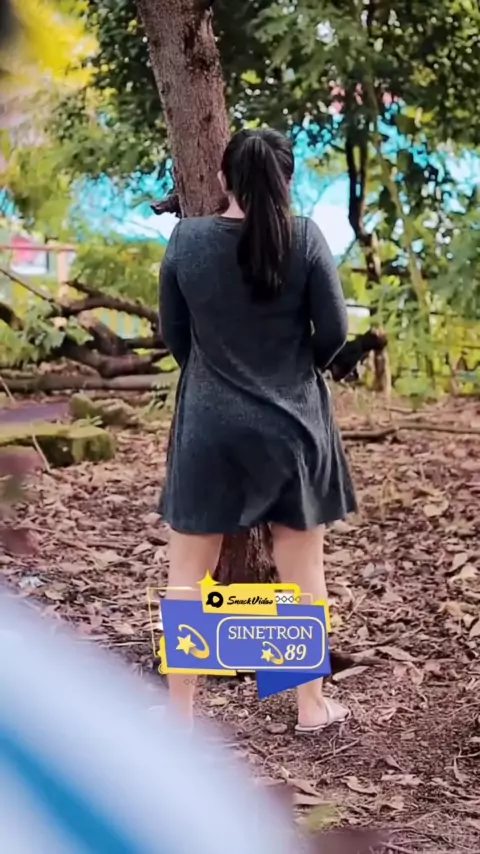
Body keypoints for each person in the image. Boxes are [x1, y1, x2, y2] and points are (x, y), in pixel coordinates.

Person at [159, 128, 357, 733]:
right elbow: (335, 332)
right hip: (292, 426)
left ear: (223, 178)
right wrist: (296, 371)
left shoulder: (187, 240)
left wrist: (213, 377)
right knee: (302, 573)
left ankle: (180, 720)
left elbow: (174, 335)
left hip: (208, 427)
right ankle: (309, 706)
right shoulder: (306, 238)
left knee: (188, 573)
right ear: (286, 179)